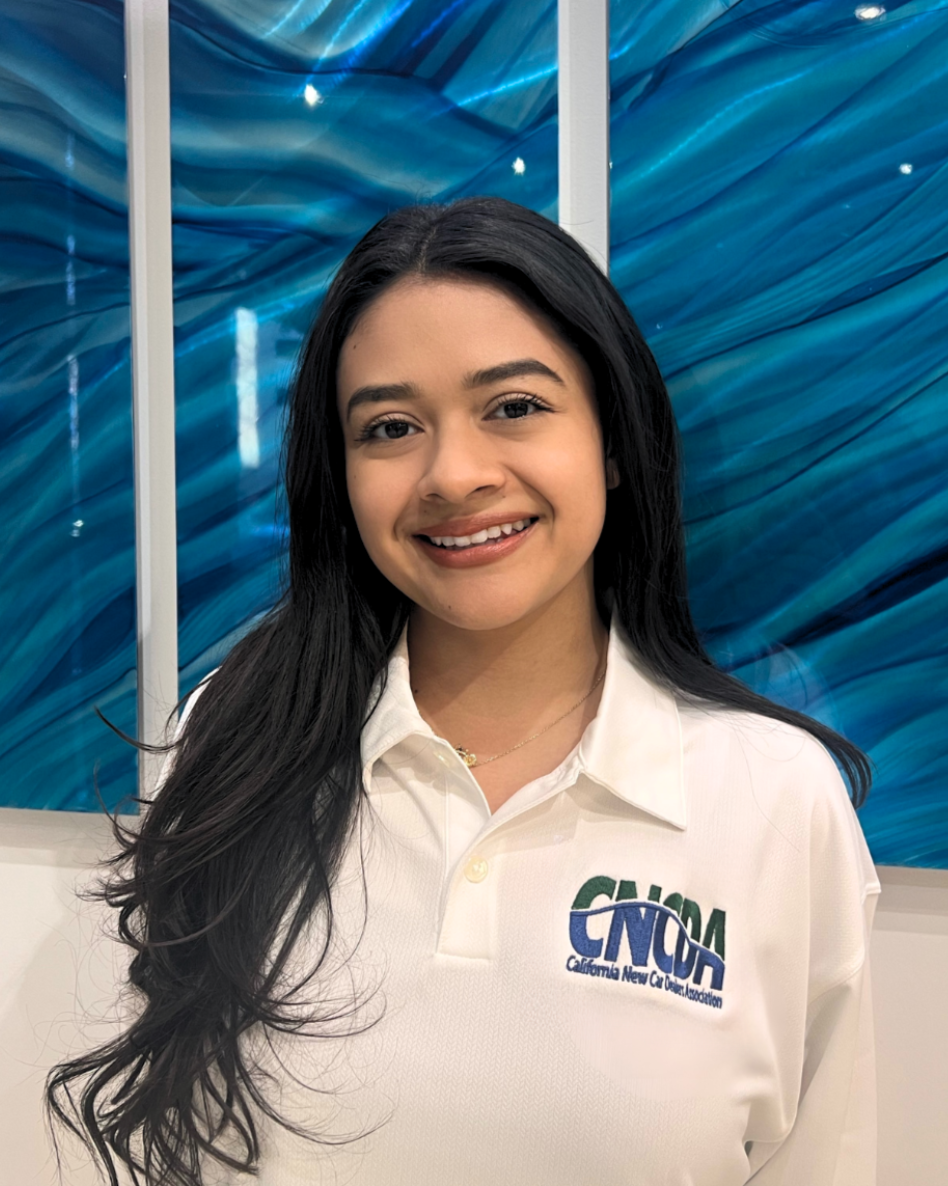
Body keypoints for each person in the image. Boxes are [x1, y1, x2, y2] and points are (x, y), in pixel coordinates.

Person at [48, 196, 881, 1186]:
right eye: (391, 426)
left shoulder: (776, 798)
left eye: (515, 407)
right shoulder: (231, 739)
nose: (454, 474)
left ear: (612, 439)